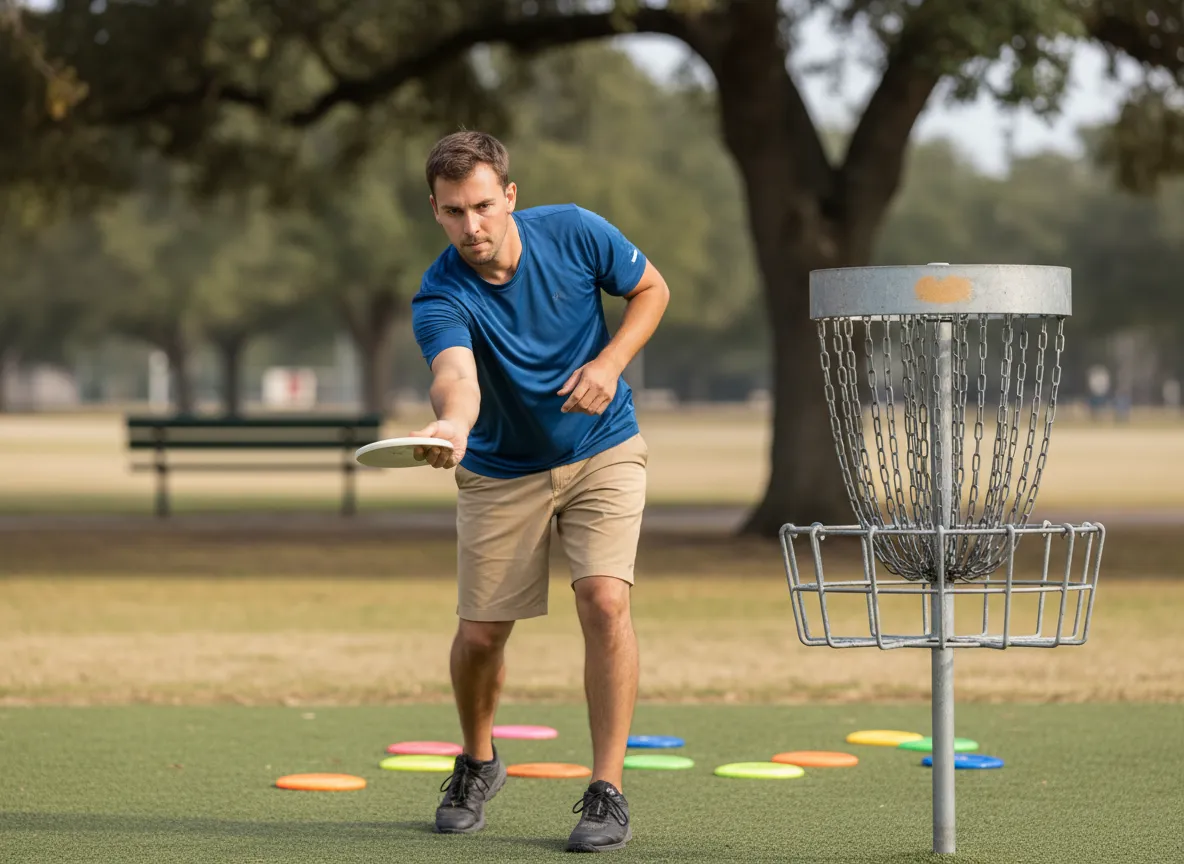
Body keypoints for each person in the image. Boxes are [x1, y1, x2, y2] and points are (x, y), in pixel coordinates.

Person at [407, 129, 670, 853]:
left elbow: (652, 289)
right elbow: (456, 377)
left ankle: (607, 790)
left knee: (605, 599)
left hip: (602, 447)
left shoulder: (576, 231)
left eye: (483, 206)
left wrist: (610, 363)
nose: (471, 226)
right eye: (454, 211)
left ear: (510, 196)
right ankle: (478, 761)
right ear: (435, 210)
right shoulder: (440, 294)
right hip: (500, 467)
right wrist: (452, 426)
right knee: (481, 636)